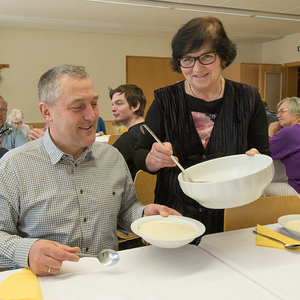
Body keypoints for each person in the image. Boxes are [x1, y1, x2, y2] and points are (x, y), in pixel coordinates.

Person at [0, 65, 180, 276]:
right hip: (47, 283)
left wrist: (142, 215)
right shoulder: (14, 166)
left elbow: (125, 208)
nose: (92, 116)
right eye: (78, 107)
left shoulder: (112, 158)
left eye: (94, 104)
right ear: (46, 112)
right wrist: (28, 251)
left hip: (107, 276)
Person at [133, 16, 270, 236]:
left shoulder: (248, 99)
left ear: (223, 58)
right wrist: (152, 160)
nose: (196, 67)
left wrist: (256, 163)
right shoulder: (164, 101)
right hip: (177, 216)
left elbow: (263, 153)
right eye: (187, 59)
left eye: (206, 56)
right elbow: (139, 154)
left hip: (232, 217)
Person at [263, 97, 300, 197]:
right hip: (295, 182)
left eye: (282, 111)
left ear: (297, 113)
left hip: (298, 189)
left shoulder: (289, 132)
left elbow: (265, 152)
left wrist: (271, 130)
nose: (278, 115)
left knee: (261, 190)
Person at [110, 84, 146, 179]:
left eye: (118, 103)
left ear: (135, 106)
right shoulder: (151, 131)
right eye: (112, 104)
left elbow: (105, 167)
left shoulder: (129, 138)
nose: (112, 109)